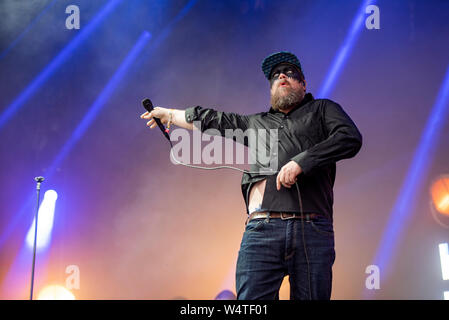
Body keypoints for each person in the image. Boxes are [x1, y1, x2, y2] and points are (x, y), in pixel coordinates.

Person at [140, 51, 362, 300]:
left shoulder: (322, 110)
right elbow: (214, 121)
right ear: (271, 89)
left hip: (311, 228)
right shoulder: (256, 124)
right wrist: (170, 115)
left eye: (290, 72)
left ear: (303, 84)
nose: (281, 75)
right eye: (276, 75)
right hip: (261, 229)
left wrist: (302, 162)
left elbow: (349, 137)